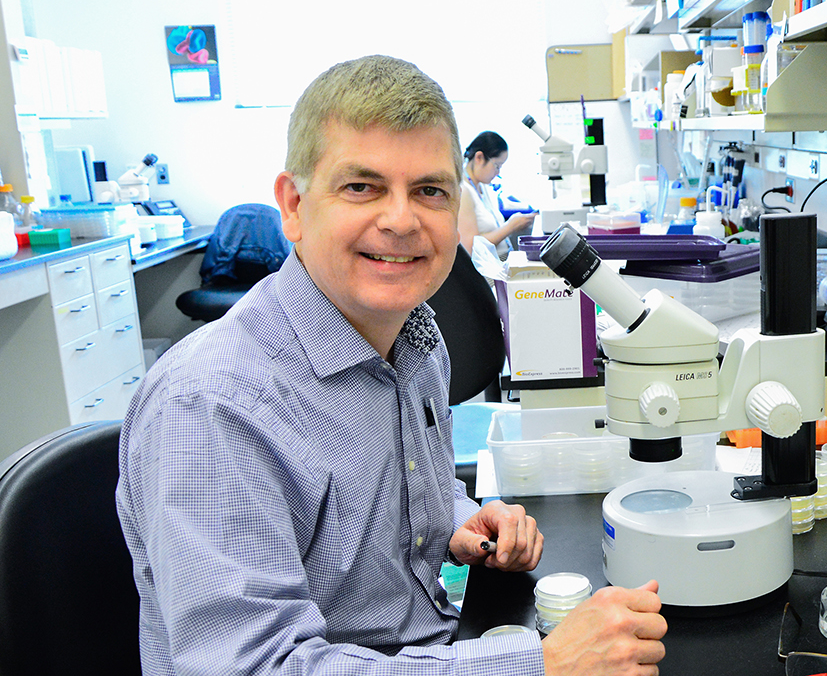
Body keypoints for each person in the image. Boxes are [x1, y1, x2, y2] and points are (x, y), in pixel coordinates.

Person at [116, 55, 666, 676]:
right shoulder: (212, 403)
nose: (401, 220)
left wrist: (459, 520)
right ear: (293, 205)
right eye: (362, 187)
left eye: (429, 191)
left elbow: (386, 505)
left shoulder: (415, 337)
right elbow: (256, 668)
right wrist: (538, 666)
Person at [458, 131, 535, 257]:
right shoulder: (464, 192)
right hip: (488, 270)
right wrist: (510, 227)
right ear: (479, 158)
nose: (498, 173)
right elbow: (471, 247)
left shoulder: (483, 187)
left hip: (502, 260)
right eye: (497, 165)